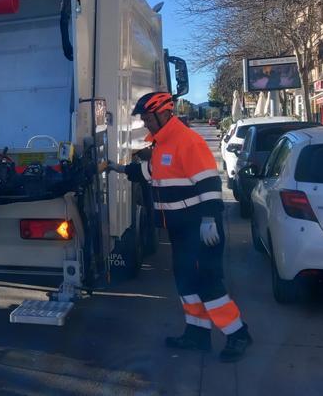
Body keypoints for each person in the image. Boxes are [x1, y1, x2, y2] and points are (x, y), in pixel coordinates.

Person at [101, 92, 253, 362]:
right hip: (180, 231)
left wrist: (209, 220)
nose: (146, 123)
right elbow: (149, 173)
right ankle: (197, 334)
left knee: (208, 284)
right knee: (185, 282)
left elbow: (209, 184)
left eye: (148, 118)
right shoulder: (162, 146)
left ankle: (237, 333)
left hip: (200, 229)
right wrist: (116, 168)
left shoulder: (187, 141)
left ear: (164, 113)